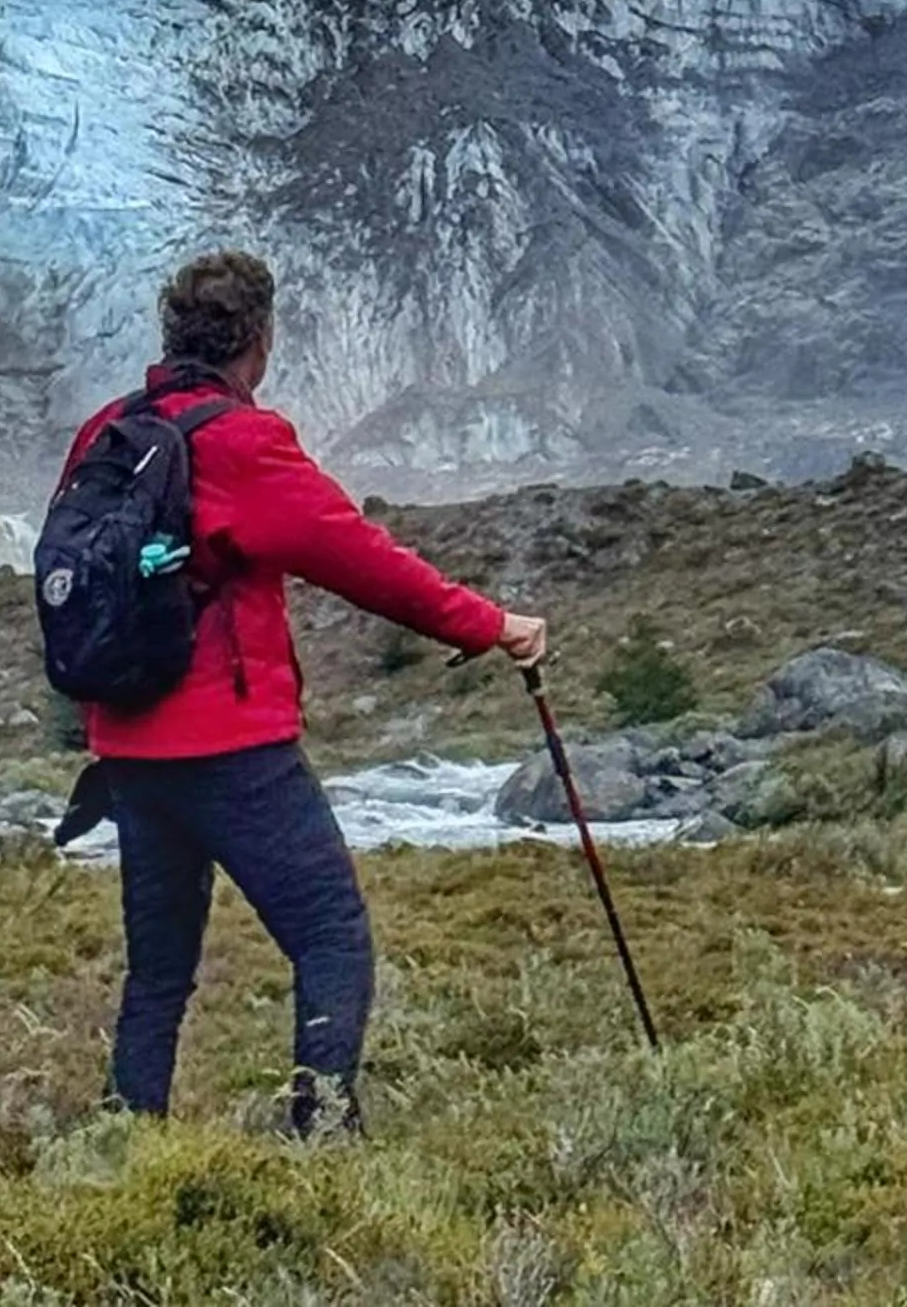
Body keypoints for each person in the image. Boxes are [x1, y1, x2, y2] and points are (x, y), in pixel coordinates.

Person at [55, 248, 546, 1134]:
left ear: (173, 332)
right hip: (230, 748)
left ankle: (121, 1146)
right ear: (261, 341)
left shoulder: (105, 432)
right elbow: (363, 562)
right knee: (330, 936)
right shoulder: (242, 441)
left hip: (127, 746)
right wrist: (490, 625)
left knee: (158, 973)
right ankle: (318, 1137)